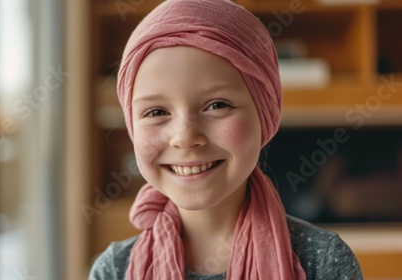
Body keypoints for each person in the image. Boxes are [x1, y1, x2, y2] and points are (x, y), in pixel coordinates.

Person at [89, 0, 363, 279]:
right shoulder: (114, 269)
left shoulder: (322, 261)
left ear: (265, 113)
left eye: (217, 105)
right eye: (156, 111)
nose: (185, 137)